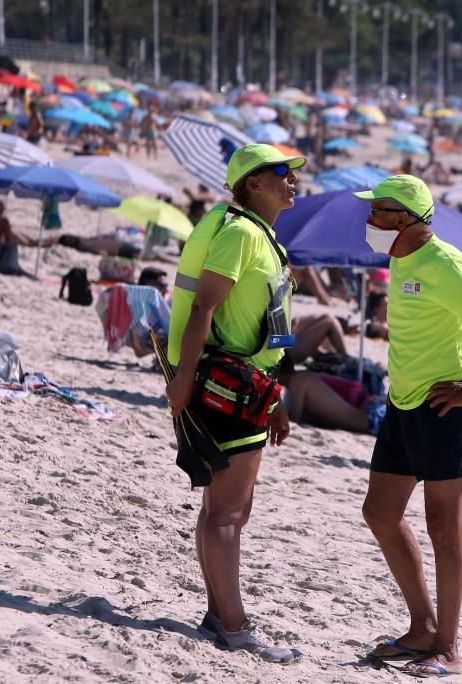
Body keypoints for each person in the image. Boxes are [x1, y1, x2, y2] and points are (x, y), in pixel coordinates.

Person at [354, 175, 462, 677]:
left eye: (378, 210)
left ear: (405, 219)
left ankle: (447, 646)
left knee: (444, 527)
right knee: (380, 512)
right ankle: (421, 625)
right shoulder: (400, 257)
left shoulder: (443, 261)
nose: (369, 219)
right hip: (404, 405)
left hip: (448, 408)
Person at [165, 144, 307, 662]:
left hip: (251, 385)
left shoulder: (261, 235)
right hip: (226, 386)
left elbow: (269, 326)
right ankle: (235, 625)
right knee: (227, 512)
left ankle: (217, 614)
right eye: (281, 173)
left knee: (223, 510)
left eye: (292, 173)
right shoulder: (243, 232)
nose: (292, 180)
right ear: (252, 183)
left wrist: (276, 399)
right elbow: (205, 306)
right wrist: (181, 379)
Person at [0, 198, 54, 275]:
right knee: (31, 242)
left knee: (31, 242)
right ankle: (49, 241)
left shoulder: (3, 221)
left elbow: (7, 238)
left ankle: (50, 241)